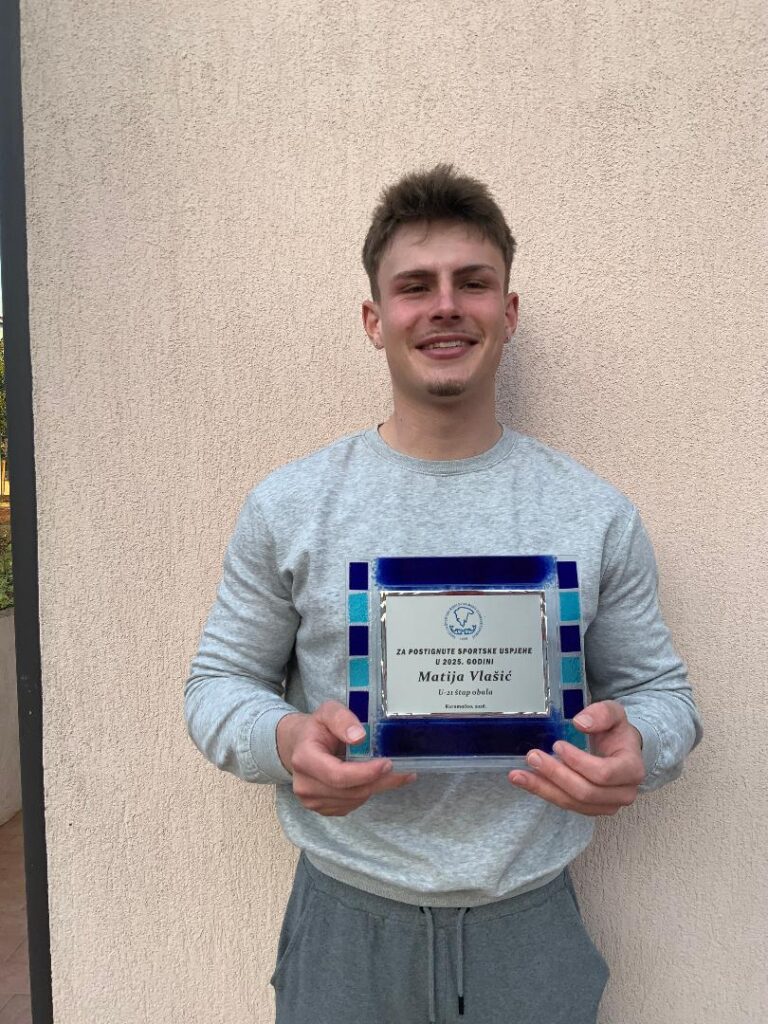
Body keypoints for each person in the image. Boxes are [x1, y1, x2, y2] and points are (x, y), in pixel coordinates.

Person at [184, 164, 702, 1024]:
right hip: (345, 923)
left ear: (509, 311)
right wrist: (284, 739)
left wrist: (641, 746)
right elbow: (216, 683)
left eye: (474, 282)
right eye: (415, 286)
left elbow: (662, 693)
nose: (446, 306)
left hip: (530, 927)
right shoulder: (291, 506)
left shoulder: (593, 513)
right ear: (374, 319)